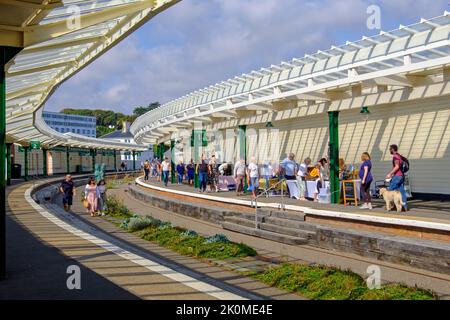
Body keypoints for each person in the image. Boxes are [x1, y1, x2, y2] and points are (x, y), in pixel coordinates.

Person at [386, 144, 408, 211]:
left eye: (390, 149)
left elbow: (397, 166)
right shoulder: (399, 156)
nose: (389, 150)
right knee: (401, 192)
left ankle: (390, 206)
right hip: (401, 176)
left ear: (392, 149)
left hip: (397, 176)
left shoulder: (395, 156)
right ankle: (404, 207)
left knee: (390, 190)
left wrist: (390, 174)